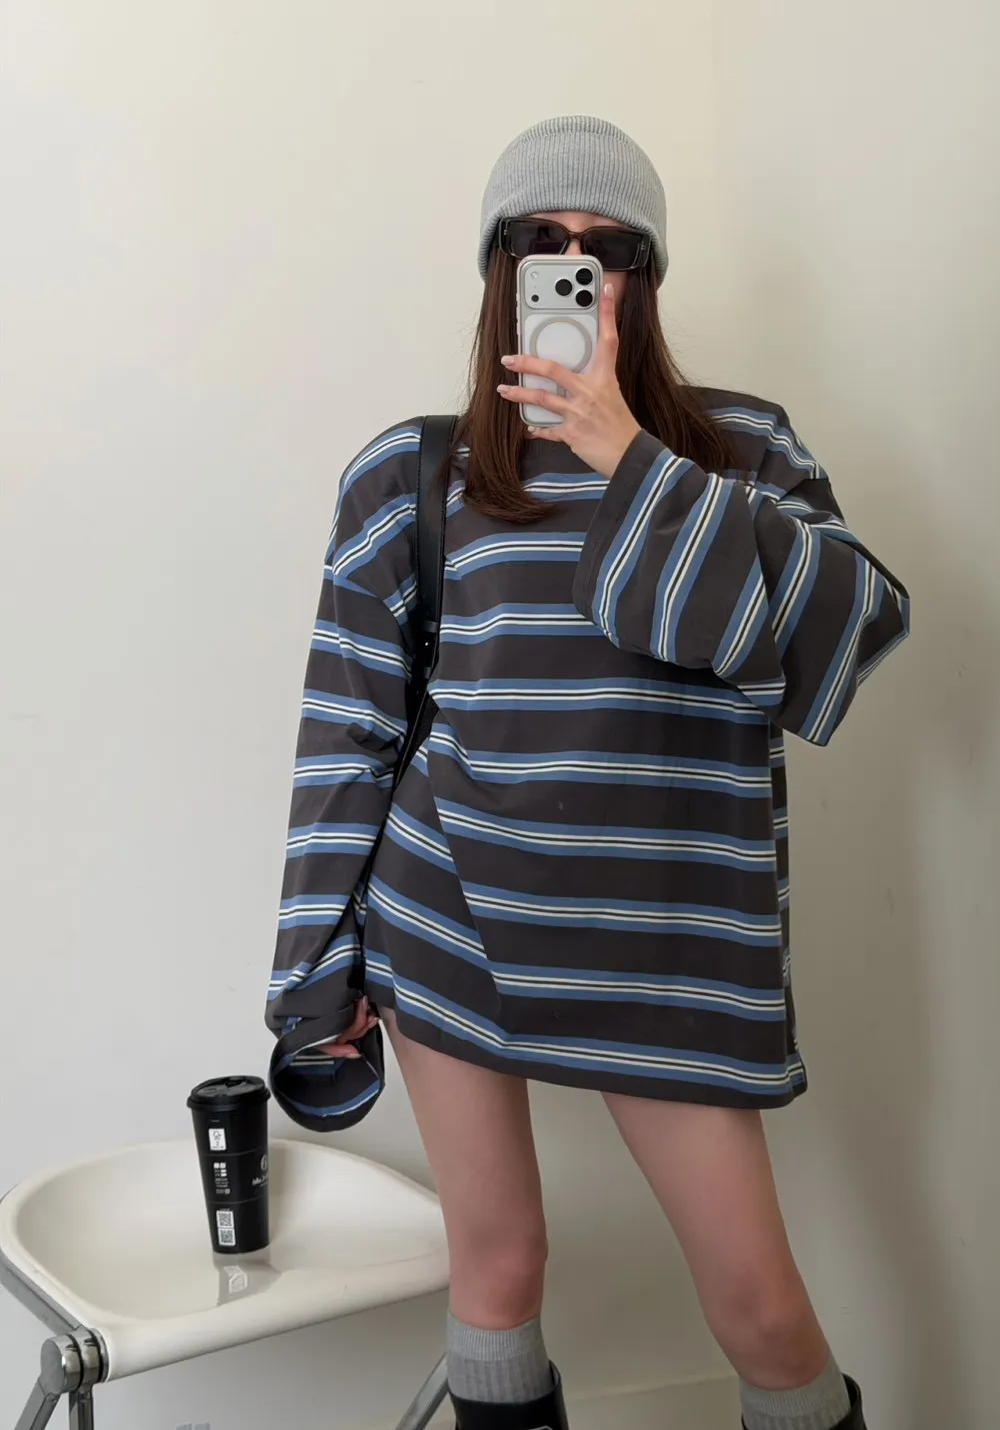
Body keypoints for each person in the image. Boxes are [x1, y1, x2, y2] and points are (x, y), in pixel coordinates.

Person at [265, 115, 909, 1430]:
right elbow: (347, 737)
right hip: (453, 924)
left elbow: (851, 630)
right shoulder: (413, 474)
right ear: (498, 272)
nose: (577, 268)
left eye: (610, 250)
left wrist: (633, 461)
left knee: (762, 1312)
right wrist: (312, 977)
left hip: (670, 946)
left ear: (645, 282)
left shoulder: (744, 448)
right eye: (540, 243)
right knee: (498, 1271)